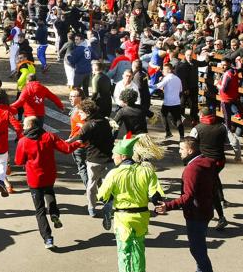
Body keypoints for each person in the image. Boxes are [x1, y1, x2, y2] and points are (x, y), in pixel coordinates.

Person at [97, 134, 165, 272]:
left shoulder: (113, 174)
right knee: (138, 249)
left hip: (123, 219)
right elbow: (155, 196)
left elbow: (102, 197)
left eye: (114, 154)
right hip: (142, 218)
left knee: (124, 251)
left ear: (122, 156)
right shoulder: (147, 171)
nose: (112, 157)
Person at [15, 117, 85, 249]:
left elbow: (18, 161)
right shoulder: (49, 136)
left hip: (34, 178)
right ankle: (54, 213)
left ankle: (48, 238)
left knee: (39, 210)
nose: (23, 127)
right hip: (49, 175)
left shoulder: (23, 141)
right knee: (49, 191)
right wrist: (78, 143)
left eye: (24, 124)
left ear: (30, 125)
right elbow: (66, 149)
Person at [156, 137, 216, 272]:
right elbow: (215, 188)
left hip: (196, 214)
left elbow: (188, 196)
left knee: (197, 249)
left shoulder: (192, 169)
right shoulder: (207, 162)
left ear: (189, 150)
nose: (179, 151)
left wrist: (168, 205)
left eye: (181, 149)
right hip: (205, 210)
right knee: (199, 247)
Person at [68, 99, 115, 217]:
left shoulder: (88, 125)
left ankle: (91, 208)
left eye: (81, 112)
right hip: (109, 159)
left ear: (87, 112)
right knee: (109, 184)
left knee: (92, 184)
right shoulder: (104, 121)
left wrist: (66, 142)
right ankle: (109, 204)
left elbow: (78, 138)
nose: (79, 114)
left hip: (94, 160)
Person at [189, 108, 232, 230]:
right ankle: (221, 201)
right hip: (219, 162)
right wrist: (238, 155)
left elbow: (190, 145)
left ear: (202, 115)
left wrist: (189, 162)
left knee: (208, 187)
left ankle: (220, 216)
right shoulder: (223, 127)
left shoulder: (197, 129)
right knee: (213, 179)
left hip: (204, 164)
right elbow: (234, 142)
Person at [153, 63, 184, 141]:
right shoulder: (178, 78)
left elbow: (157, 86)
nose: (163, 71)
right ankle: (182, 136)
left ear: (169, 70)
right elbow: (180, 90)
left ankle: (168, 132)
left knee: (163, 115)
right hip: (176, 102)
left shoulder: (167, 78)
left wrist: (147, 85)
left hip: (168, 102)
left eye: (164, 69)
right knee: (178, 119)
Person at [216, 57, 243, 131]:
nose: (222, 66)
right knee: (239, 109)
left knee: (227, 117)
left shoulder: (227, 74)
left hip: (226, 99)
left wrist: (217, 84)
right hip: (234, 96)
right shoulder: (234, 70)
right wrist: (238, 61)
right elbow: (240, 67)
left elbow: (223, 89)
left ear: (229, 64)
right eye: (221, 65)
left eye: (224, 65)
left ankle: (228, 133)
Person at [69, 88, 88, 187]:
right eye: (70, 96)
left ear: (80, 97)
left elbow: (83, 130)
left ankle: (91, 190)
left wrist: (71, 140)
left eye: (73, 96)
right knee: (90, 169)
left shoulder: (80, 112)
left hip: (80, 145)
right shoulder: (83, 108)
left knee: (82, 168)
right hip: (86, 144)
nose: (70, 98)